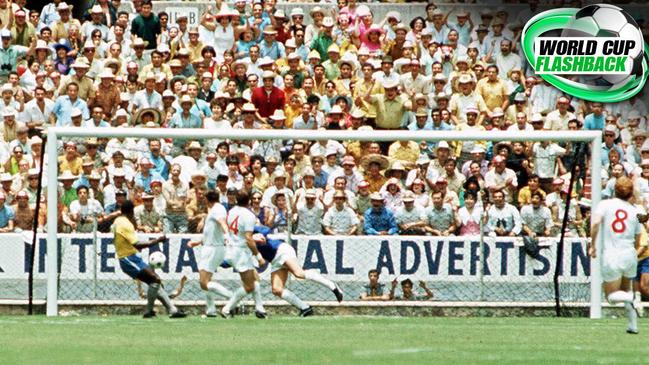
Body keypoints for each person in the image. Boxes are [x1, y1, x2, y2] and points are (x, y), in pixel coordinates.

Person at [590, 177, 646, 334]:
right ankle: (633, 325)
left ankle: (632, 299)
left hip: (612, 255)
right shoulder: (635, 210)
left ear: (614, 189)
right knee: (626, 288)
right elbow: (638, 237)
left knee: (611, 296)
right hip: (629, 254)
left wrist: (593, 245)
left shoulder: (605, 204)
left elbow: (595, 224)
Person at [112, 200, 186, 318]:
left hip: (132, 258)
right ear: (131, 211)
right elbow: (137, 244)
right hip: (128, 259)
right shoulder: (126, 224)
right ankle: (149, 310)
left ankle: (172, 309)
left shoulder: (118, 220)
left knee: (155, 282)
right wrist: (157, 241)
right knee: (155, 279)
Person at [252, 225, 343, 316]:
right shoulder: (240, 240)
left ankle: (332, 285)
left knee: (299, 273)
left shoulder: (249, 228)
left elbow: (266, 229)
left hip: (281, 250)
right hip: (274, 260)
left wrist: (259, 235)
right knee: (277, 289)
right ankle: (305, 308)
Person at [220, 191, 267, 319]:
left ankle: (260, 309)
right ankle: (227, 309)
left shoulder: (231, 211)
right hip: (240, 253)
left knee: (255, 278)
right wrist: (258, 256)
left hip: (231, 248)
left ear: (236, 200)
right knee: (249, 285)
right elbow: (248, 238)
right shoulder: (249, 215)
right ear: (249, 201)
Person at [188, 190, 233, 317]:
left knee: (203, 282)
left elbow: (222, 223)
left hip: (213, 249)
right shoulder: (213, 210)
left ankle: (234, 298)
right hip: (210, 247)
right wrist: (198, 242)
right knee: (206, 280)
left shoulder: (218, 209)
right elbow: (211, 231)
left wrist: (227, 235)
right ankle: (211, 309)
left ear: (207, 199)